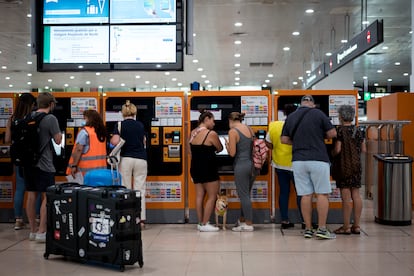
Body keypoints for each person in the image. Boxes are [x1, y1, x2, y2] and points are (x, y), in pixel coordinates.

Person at [281, 95, 337, 239]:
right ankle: (322, 229)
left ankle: (308, 228)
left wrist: (299, 142)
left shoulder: (292, 117)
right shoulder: (318, 113)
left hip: (298, 160)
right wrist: (318, 137)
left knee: (305, 195)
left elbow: (284, 139)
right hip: (318, 159)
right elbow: (332, 133)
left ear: (301, 104)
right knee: (322, 194)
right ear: (312, 104)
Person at [25, 92, 62, 242]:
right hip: (44, 164)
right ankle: (42, 232)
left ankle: (32, 231)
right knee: (46, 196)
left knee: (32, 196)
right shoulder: (50, 118)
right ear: (51, 104)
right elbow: (58, 140)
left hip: (28, 163)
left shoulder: (29, 117)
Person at [5, 93, 41, 230]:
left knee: (20, 189)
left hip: (18, 158)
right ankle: (37, 217)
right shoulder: (32, 118)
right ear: (31, 104)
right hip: (31, 159)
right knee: (35, 189)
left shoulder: (12, 119)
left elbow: (8, 140)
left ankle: (18, 220)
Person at [110, 100, 148, 228]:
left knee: (125, 188)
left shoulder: (119, 125)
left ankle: (127, 217)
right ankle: (140, 219)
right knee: (140, 189)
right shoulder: (140, 125)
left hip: (126, 159)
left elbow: (115, 141)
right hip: (141, 159)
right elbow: (143, 141)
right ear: (134, 112)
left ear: (123, 112)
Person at [265, 104, 303, 229]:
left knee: (284, 192)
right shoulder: (299, 124)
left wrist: (276, 148)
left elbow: (268, 143)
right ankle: (304, 221)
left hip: (279, 164)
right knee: (301, 193)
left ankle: (285, 221)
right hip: (296, 164)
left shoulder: (274, 125)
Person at [331, 105, 365, 235]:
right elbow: (364, 149)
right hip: (356, 166)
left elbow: (338, 149)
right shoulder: (359, 130)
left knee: (346, 197)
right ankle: (356, 226)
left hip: (343, 166)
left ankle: (345, 227)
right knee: (356, 195)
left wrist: (332, 153)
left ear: (340, 116)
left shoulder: (339, 131)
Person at [189, 110, 223, 232]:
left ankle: (200, 223)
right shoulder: (211, 133)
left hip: (195, 168)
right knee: (212, 195)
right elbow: (220, 148)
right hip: (208, 167)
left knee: (199, 196)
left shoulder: (193, 132)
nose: (214, 123)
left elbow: (190, 151)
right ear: (207, 119)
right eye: (213, 120)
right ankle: (205, 223)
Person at [225, 112, 256, 232]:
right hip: (252, 165)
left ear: (230, 120)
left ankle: (248, 223)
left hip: (241, 165)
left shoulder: (233, 132)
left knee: (243, 195)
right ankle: (243, 220)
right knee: (246, 194)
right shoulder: (249, 129)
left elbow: (232, 153)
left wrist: (227, 146)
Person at [67, 109, 107, 178]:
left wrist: (74, 165)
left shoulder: (85, 132)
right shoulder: (102, 132)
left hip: (86, 172)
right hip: (101, 171)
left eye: (84, 118)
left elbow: (79, 149)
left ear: (89, 119)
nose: (84, 121)